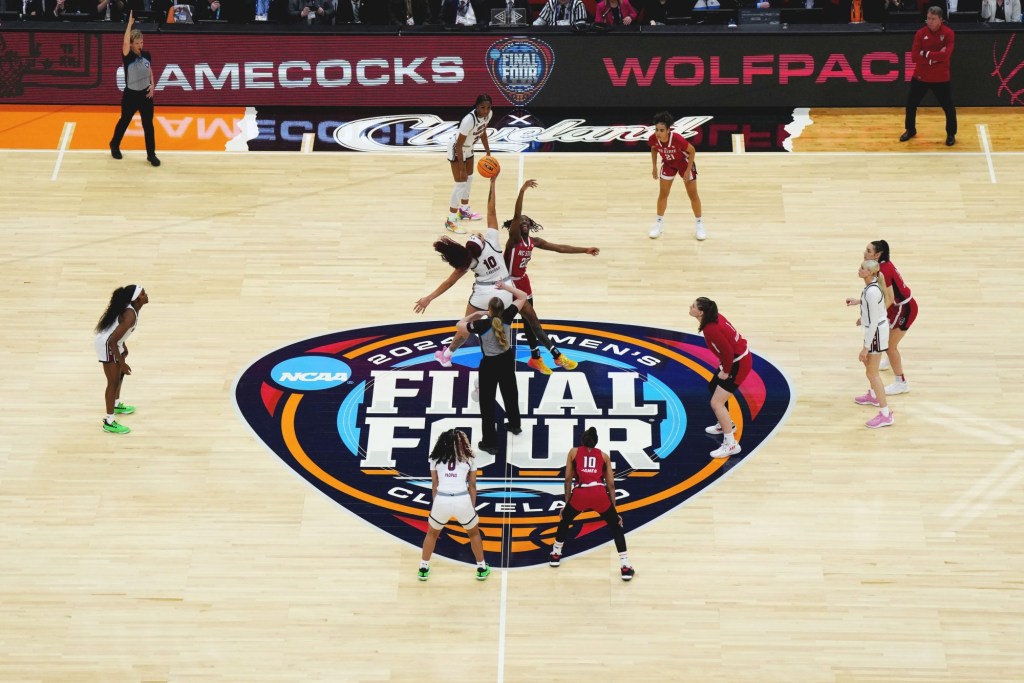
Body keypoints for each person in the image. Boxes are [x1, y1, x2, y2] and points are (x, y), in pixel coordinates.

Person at [414, 171, 579, 372]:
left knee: (465, 327)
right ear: (481, 241)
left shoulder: (468, 260)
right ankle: (555, 355)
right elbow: (491, 210)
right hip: (506, 288)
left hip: (482, 294)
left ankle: (447, 354)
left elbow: (449, 282)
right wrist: (492, 184)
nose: (478, 233)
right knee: (532, 320)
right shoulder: (492, 241)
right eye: (478, 235)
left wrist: (429, 298)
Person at [503, 179, 599, 375]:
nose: (522, 221)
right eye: (520, 220)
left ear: (530, 224)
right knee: (533, 320)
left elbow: (559, 248)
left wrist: (585, 250)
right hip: (509, 283)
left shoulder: (534, 241)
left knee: (530, 322)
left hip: (523, 281)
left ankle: (535, 357)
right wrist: (521, 191)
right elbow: (515, 215)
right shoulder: (513, 240)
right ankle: (556, 355)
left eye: (526, 220)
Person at [549, 427, 635, 581]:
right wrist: (614, 512)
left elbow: (568, 479)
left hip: (581, 493)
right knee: (616, 527)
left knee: (565, 520)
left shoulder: (573, 452)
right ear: (596, 442)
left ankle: (556, 554)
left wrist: (567, 504)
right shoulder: (604, 456)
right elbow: (611, 485)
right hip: (599, 493)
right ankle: (625, 566)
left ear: (583, 440)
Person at [455, 280, 528, 455]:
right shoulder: (508, 315)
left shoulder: (481, 325)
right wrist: (505, 287)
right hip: (507, 359)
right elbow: (523, 296)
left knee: (487, 404)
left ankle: (490, 443)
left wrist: (475, 315)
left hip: (489, 364)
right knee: (511, 392)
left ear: (489, 309)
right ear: (502, 308)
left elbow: (459, 325)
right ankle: (515, 424)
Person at [418, 429, 491, 581]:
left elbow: (434, 484)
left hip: (442, 499)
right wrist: (471, 507)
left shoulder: (435, 458)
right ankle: (481, 568)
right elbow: (472, 486)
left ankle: (423, 568)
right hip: (462, 499)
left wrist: (436, 505)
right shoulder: (469, 459)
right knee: (474, 533)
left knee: (432, 533)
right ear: (462, 443)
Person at [689, 297, 749, 458]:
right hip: (735, 360)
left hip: (737, 364)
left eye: (693, 306)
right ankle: (726, 424)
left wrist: (726, 371)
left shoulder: (711, 329)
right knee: (713, 386)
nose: (690, 306)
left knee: (716, 402)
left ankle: (731, 444)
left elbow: (729, 352)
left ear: (700, 312)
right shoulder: (714, 318)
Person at [861, 240, 917, 395]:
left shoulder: (883, 271)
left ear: (877, 255)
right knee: (887, 341)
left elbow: (890, 298)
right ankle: (891, 361)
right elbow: (880, 296)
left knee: (889, 346)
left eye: (868, 250)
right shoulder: (881, 265)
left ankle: (901, 382)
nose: (865, 253)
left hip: (904, 308)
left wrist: (875, 315)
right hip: (897, 307)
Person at [846, 260, 895, 429]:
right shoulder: (872, 286)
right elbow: (875, 308)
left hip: (875, 335)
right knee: (869, 370)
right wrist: (860, 307)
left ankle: (886, 414)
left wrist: (865, 348)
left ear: (870, 273)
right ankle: (874, 396)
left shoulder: (872, 291)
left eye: (862, 268)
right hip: (876, 331)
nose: (858, 270)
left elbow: (874, 321)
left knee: (873, 374)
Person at [94, 285, 148, 435]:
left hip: (115, 343)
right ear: (136, 299)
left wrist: (123, 346)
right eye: (143, 294)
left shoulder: (133, 310)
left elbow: (116, 330)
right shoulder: (130, 315)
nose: (146, 295)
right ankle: (109, 422)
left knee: (119, 376)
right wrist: (122, 363)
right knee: (113, 382)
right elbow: (111, 341)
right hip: (107, 345)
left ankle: (116, 405)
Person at [900, 7, 957, 147]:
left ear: (940, 20)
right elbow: (914, 56)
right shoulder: (920, 33)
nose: (929, 21)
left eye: (933, 19)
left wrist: (925, 54)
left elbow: (945, 56)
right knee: (911, 104)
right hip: (921, 76)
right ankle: (910, 129)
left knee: (948, 107)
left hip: (941, 78)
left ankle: (951, 134)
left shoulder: (949, 34)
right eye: (928, 18)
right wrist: (933, 58)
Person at [109, 13, 160, 167]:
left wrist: (152, 85)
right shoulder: (127, 56)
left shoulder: (147, 55)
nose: (140, 45)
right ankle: (114, 145)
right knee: (124, 121)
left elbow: (149, 70)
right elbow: (124, 42)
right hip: (131, 95)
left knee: (148, 125)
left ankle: (151, 155)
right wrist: (129, 25)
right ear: (131, 44)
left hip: (145, 95)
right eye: (137, 43)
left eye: (142, 42)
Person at [648, 111, 705, 241]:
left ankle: (699, 224)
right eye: (656, 129)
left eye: (661, 130)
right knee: (663, 194)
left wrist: (688, 170)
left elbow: (692, 151)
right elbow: (653, 148)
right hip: (669, 164)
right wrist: (654, 167)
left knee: (693, 195)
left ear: (668, 130)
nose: (658, 132)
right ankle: (659, 223)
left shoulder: (677, 138)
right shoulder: (653, 138)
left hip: (684, 164)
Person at [444, 94, 492, 234]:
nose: (485, 110)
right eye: (482, 107)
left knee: (469, 178)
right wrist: (462, 168)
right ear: (476, 106)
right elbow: (458, 145)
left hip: (469, 147)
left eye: (488, 108)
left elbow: (482, 132)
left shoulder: (489, 115)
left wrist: (488, 151)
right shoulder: (468, 121)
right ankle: (451, 220)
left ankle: (464, 211)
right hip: (457, 148)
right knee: (460, 183)